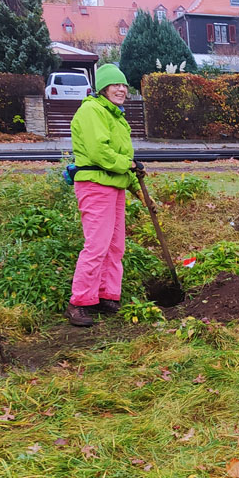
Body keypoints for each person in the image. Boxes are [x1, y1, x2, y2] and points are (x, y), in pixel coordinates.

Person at [65, 63, 143, 328]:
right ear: (102, 88)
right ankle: (78, 301)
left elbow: (124, 159)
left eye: (124, 85)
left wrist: (136, 186)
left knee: (114, 245)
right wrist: (129, 166)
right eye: (115, 84)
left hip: (115, 185)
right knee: (97, 244)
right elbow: (101, 153)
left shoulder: (116, 115)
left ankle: (105, 295)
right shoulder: (92, 111)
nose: (121, 89)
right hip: (95, 185)